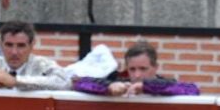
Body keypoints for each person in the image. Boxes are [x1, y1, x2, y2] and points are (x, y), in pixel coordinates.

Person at [72, 41, 200, 97]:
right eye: (132, 69)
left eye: (143, 69)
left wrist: (147, 87)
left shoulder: (165, 84)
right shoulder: (120, 82)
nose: (137, 75)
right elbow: (79, 82)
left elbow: (193, 90)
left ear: (155, 68)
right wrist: (108, 87)